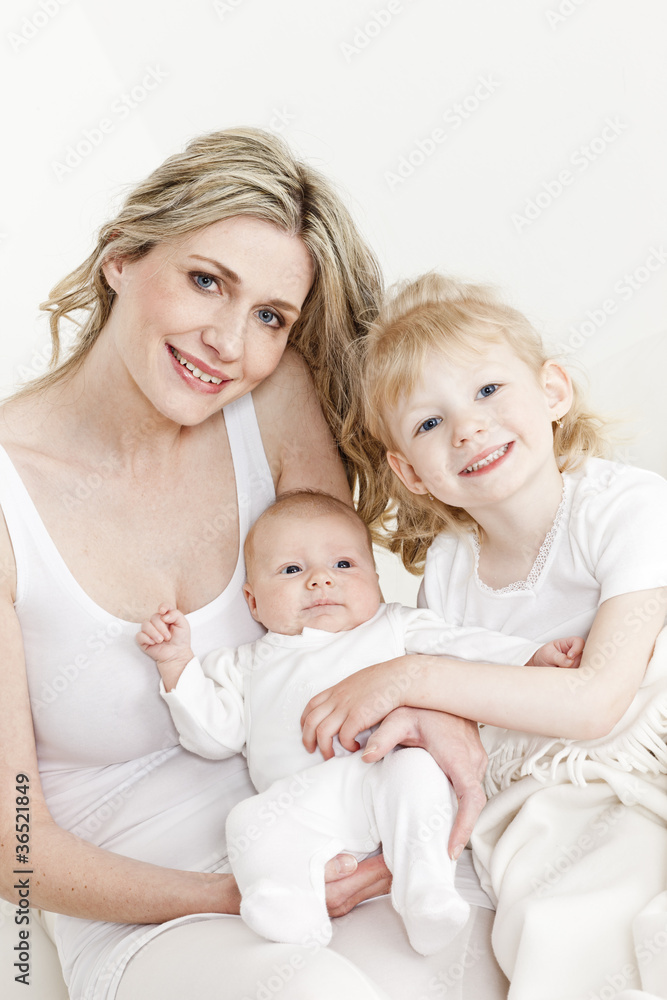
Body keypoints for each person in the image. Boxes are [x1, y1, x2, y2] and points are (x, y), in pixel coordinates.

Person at [0, 133, 505, 1000]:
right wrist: (242, 893)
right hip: (163, 911)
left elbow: (358, 622)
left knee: (530, 952)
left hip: (355, 834)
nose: (230, 343)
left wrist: (433, 710)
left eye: (271, 316)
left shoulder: (267, 402)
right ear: (122, 257)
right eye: (206, 281)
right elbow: (14, 848)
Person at [301, 272, 667, 999]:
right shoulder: (449, 568)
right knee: (554, 921)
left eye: (488, 391)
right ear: (410, 473)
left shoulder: (623, 506)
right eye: (429, 424)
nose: (467, 427)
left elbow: (597, 703)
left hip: (640, 746)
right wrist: (405, 847)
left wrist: (411, 677)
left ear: (552, 392)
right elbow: (459, 736)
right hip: (549, 793)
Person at [136, 489, 582, 957]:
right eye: (292, 570)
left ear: (376, 580)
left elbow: (464, 648)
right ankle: (290, 906)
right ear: (253, 602)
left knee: (418, 770)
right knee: (246, 821)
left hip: (385, 774)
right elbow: (213, 735)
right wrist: (177, 665)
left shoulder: (395, 625)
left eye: (344, 565)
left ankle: (426, 893)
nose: (321, 581)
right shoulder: (248, 663)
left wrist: (530, 657)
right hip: (305, 800)